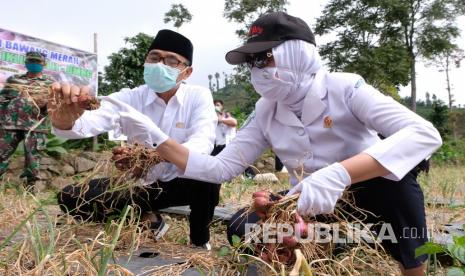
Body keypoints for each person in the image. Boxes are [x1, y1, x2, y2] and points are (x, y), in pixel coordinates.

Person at [62, 13, 441, 275]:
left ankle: (412, 267)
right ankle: (325, 246)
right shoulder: (266, 109)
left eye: (265, 58)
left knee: (398, 194)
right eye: (252, 62)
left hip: (369, 191)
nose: (257, 69)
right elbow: (219, 167)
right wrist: (154, 136)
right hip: (308, 200)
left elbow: (424, 134)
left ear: (297, 53)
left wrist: (340, 174)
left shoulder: (345, 87)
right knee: (244, 226)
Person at [49, 29, 218, 249]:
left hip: (182, 184)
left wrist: (154, 156)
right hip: (141, 185)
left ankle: (199, 241)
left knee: (208, 170)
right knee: (70, 197)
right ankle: (149, 218)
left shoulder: (198, 96)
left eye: (171, 61)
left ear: (187, 72)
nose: (159, 65)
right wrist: (65, 120)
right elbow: (91, 120)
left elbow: (202, 143)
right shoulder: (129, 98)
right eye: (154, 57)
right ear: (146, 61)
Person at [0, 51, 54, 190]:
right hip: (9, 124)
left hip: (35, 126)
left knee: (33, 159)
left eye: (37, 62)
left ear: (44, 64)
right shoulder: (14, 80)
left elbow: (54, 105)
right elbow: (2, 98)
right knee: (1, 154)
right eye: (31, 61)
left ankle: (29, 190)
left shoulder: (50, 83)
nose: (34, 64)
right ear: (26, 62)